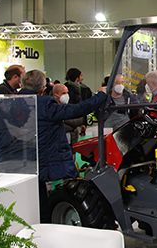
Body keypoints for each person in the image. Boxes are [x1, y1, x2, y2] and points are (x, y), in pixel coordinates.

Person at [19, 70, 107, 222]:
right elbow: (77, 110)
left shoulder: (10, 103)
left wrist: (0, 153)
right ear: (43, 87)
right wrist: (100, 96)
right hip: (51, 164)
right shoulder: (44, 104)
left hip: (23, 165)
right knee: (57, 204)